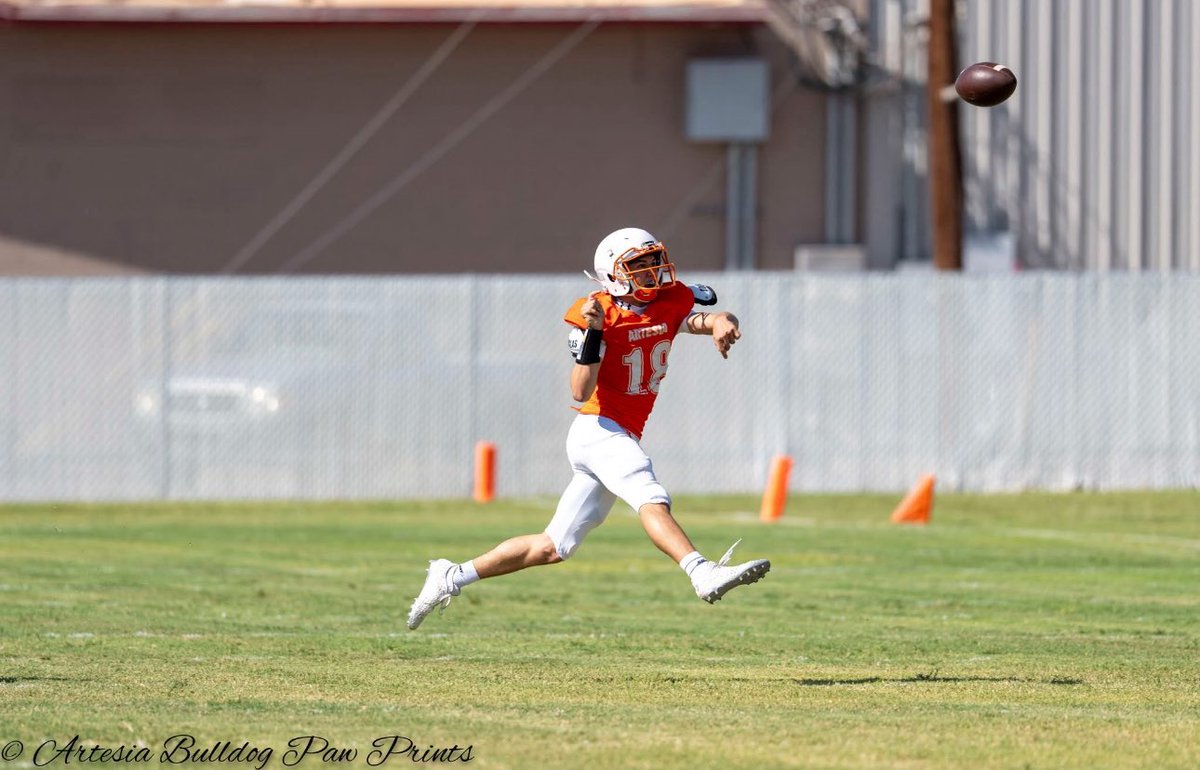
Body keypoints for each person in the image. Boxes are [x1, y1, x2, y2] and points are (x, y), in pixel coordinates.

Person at [407, 227, 770, 630]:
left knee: (552, 547)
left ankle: (450, 575)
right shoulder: (597, 314)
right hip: (598, 428)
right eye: (639, 265)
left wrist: (723, 322)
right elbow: (580, 390)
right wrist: (595, 333)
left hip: (620, 432)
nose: (652, 272)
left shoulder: (671, 299)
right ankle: (701, 571)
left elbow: (706, 317)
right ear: (614, 273)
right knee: (649, 494)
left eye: (653, 261)